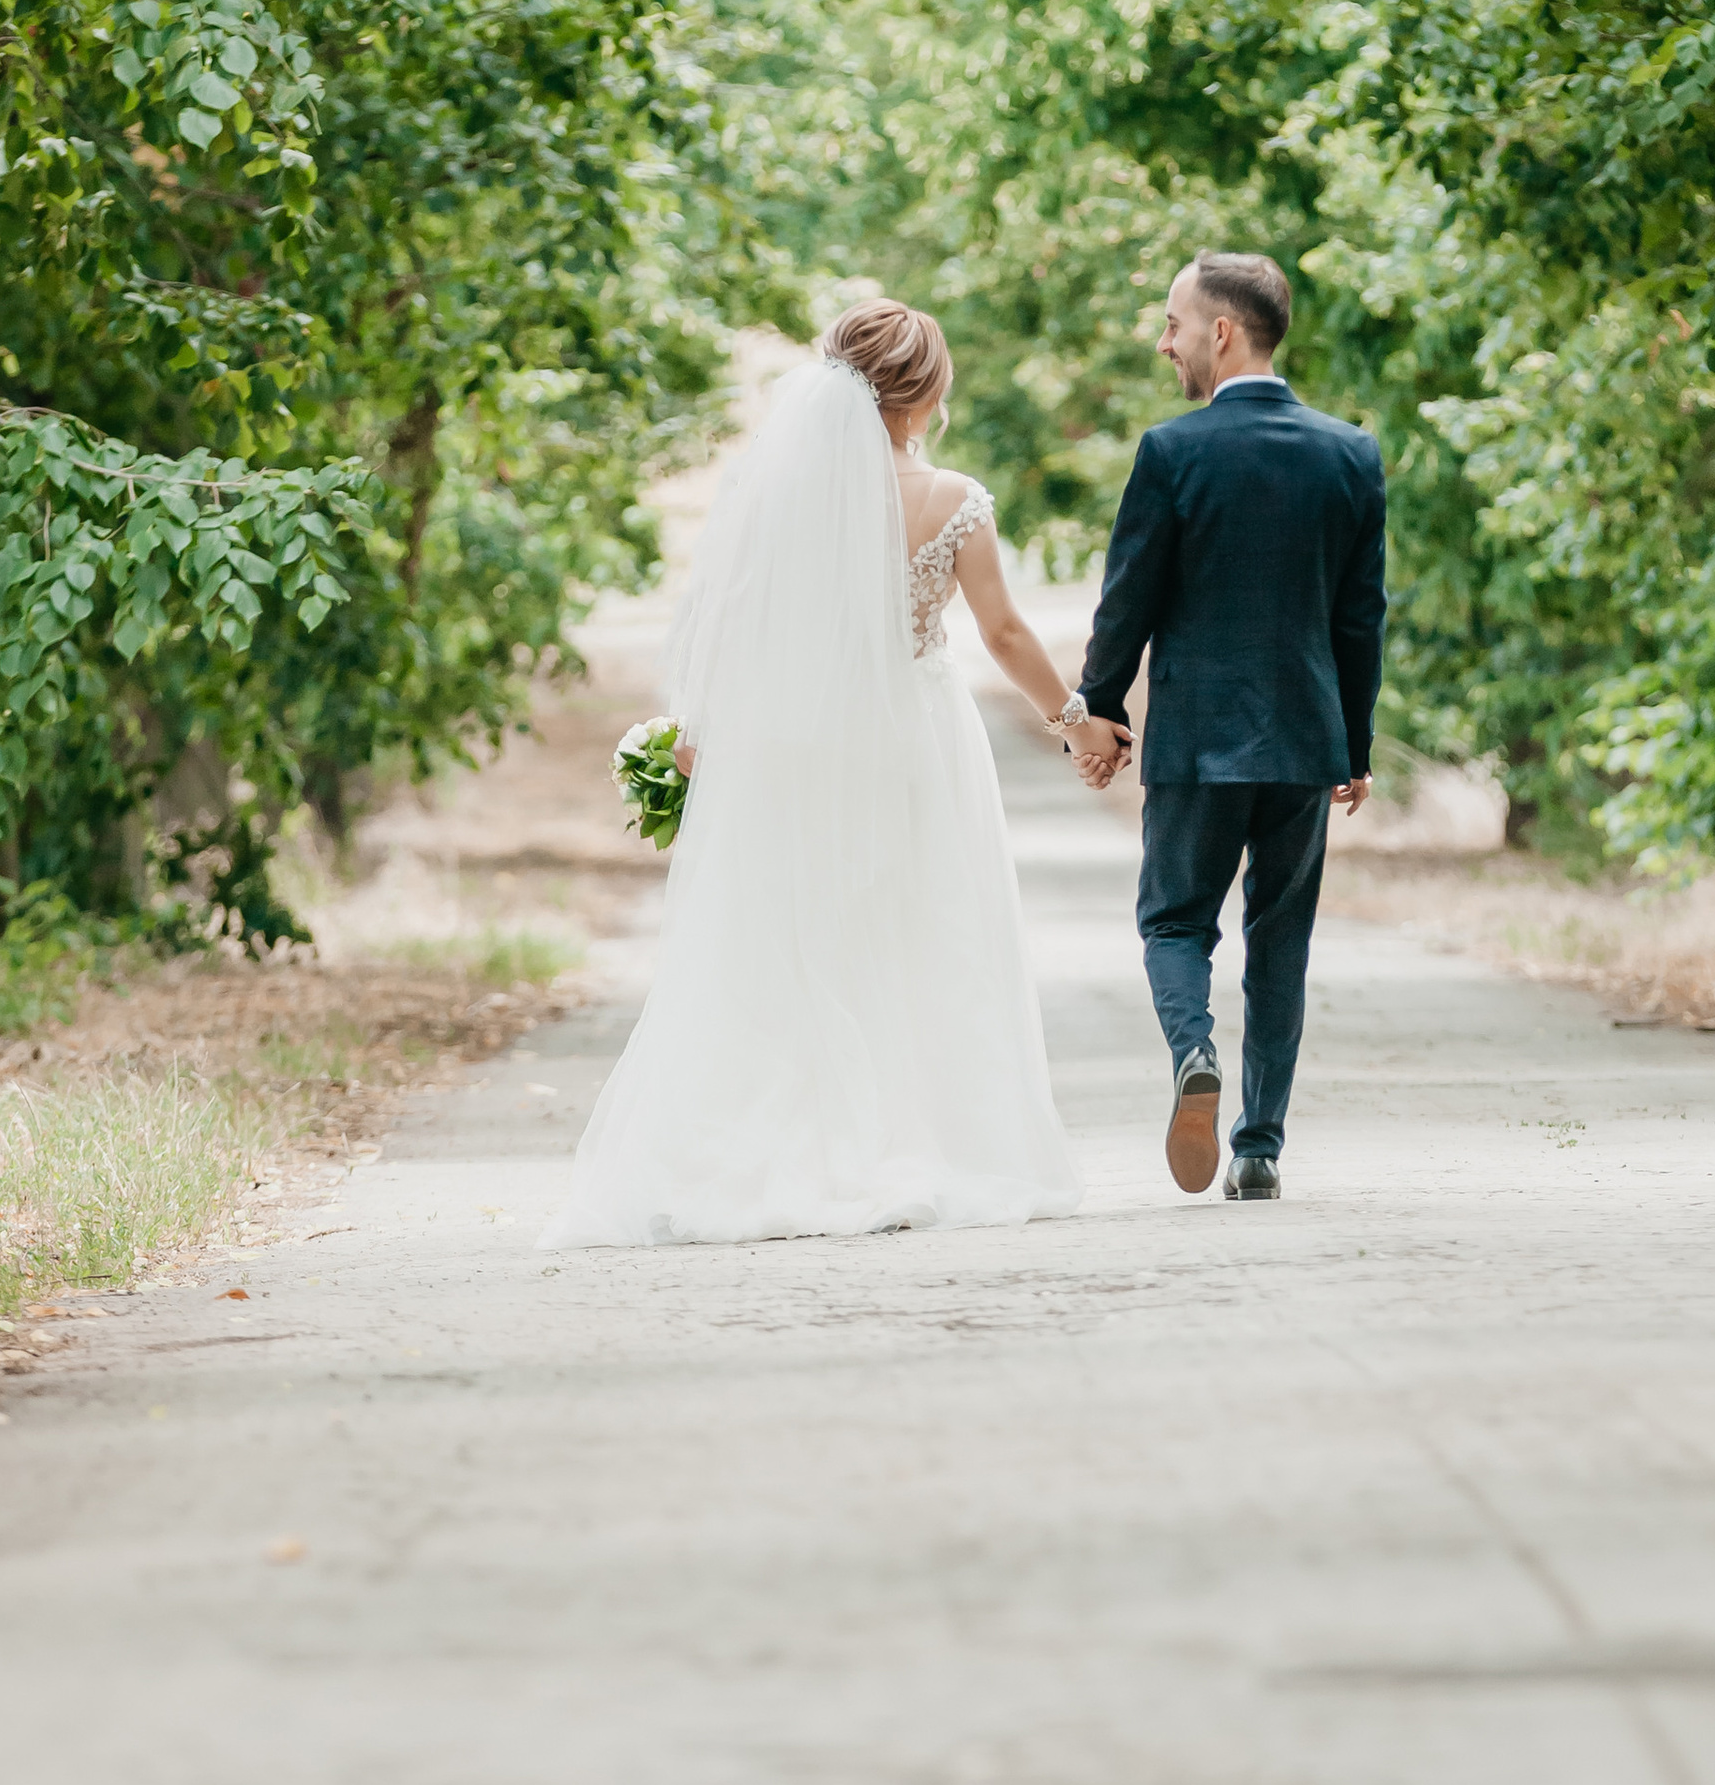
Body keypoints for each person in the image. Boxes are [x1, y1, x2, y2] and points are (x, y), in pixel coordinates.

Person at [551, 301, 1117, 1246]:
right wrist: (1075, 725)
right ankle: (922, 1141)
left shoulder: (775, 497)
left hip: (798, 744)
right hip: (917, 741)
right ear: (927, 392)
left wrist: (698, 734)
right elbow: (1006, 633)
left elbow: (728, 620)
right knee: (923, 928)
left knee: (806, 931)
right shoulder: (952, 499)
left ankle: (800, 1148)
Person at [1068, 253, 1387, 1202]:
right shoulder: (1350, 455)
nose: (1162, 342)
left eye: (1172, 324)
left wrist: (1099, 710)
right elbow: (1359, 618)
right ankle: (1257, 1151)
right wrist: (1355, 747)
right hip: (1302, 742)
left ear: (1221, 332)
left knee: (1174, 920)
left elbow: (1127, 604)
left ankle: (1192, 1048)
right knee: (1279, 943)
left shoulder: (1171, 453)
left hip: (1197, 744)